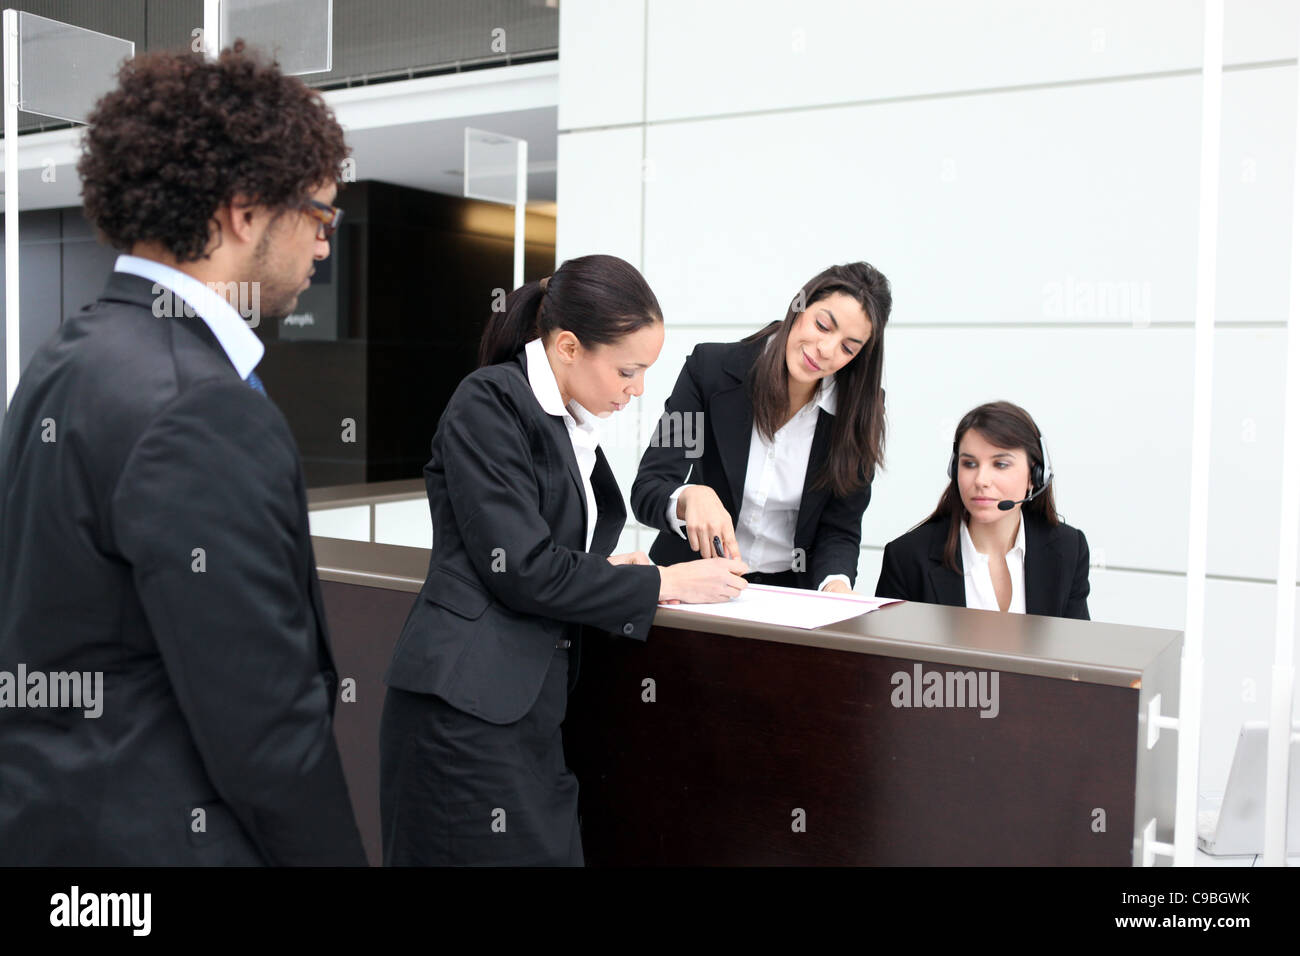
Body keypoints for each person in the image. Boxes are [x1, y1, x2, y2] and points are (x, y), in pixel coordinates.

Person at [0, 43, 366, 865]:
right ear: (245, 210)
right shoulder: (199, 406)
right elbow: (268, 731)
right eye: (319, 218)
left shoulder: (68, 355)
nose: (322, 248)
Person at [379, 254, 748, 866]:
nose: (638, 390)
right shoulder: (489, 402)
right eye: (628, 370)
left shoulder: (568, 425)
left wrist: (616, 574)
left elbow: (551, 555)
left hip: (529, 712)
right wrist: (660, 580)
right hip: (465, 712)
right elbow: (519, 566)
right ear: (570, 346)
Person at [630, 262, 890, 592]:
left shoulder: (857, 412)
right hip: (692, 580)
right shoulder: (710, 372)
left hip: (790, 593)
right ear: (800, 306)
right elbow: (649, 487)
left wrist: (836, 585)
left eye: (848, 348)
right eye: (823, 325)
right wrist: (688, 496)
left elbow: (840, 529)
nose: (826, 350)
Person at [874, 401, 1090, 619]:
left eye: (1001, 464)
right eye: (969, 464)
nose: (981, 480)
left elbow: (1075, 649)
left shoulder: (1068, 549)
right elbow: (886, 652)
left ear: (1036, 476)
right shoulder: (908, 557)